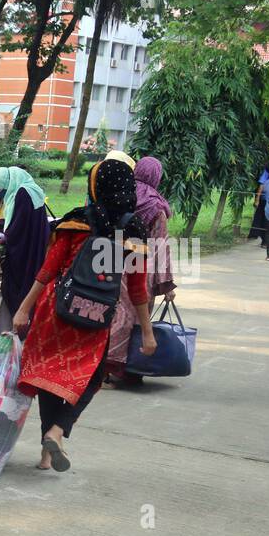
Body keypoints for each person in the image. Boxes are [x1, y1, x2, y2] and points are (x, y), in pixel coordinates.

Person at [11, 159, 157, 472]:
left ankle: (46, 456)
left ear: (95, 187)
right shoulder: (132, 231)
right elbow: (137, 289)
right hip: (96, 314)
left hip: (56, 309)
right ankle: (58, 431)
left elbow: (48, 270)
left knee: (50, 377)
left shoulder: (76, 222)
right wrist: (147, 331)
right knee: (91, 379)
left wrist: (24, 308)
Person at [106, 155, 176, 386]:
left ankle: (105, 367)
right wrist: (166, 284)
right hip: (139, 270)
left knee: (113, 316)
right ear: (156, 177)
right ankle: (128, 369)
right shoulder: (156, 208)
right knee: (137, 319)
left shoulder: (118, 196)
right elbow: (160, 248)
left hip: (110, 265)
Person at [0, 166, 50, 336]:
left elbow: (19, 228)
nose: (1, 193)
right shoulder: (29, 189)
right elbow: (21, 220)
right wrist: (0, 224)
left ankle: (14, 332)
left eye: (1, 189)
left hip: (23, 254)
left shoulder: (22, 193)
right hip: (32, 248)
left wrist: (2, 238)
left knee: (16, 289)